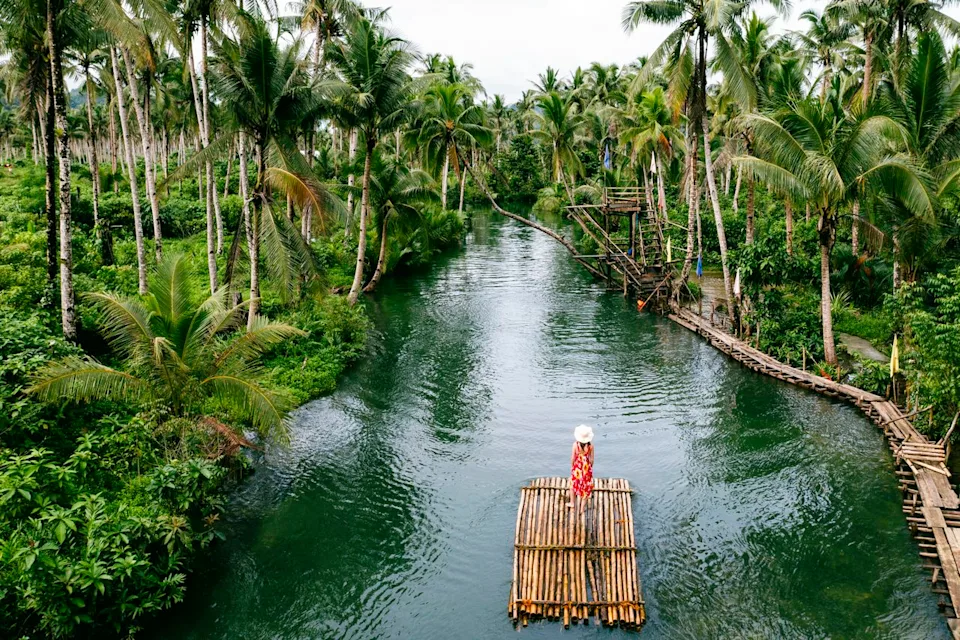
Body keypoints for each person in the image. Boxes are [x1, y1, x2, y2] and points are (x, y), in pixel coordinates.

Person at [569, 424, 594, 513]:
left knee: (572, 484)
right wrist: (590, 469)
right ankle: (582, 508)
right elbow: (591, 459)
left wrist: (572, 467)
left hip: (577, 468)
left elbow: (573, 458)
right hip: (586, 468)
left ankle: (572, 503)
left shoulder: (575, 445)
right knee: (586, 488)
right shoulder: (591, 446)